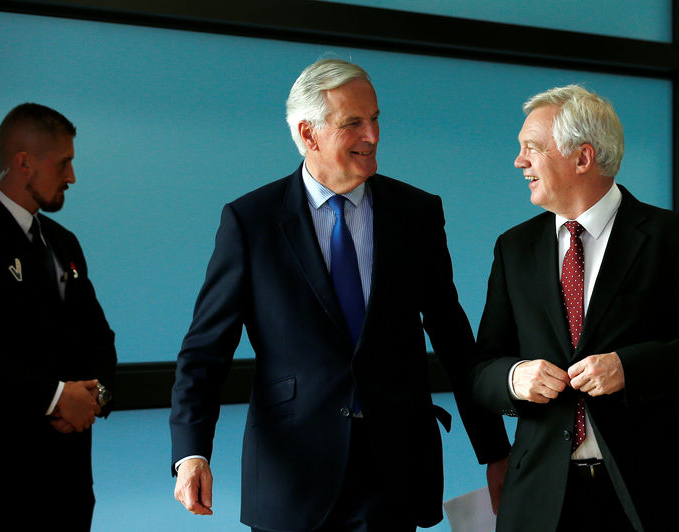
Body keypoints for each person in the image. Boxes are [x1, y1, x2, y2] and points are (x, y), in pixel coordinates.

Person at [170, 58, 510, 531]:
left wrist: (495, 451)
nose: (372, 136)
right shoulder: (252, 222)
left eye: (375, 120)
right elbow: (205, 349)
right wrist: (191, 452)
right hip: (291, 478)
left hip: (395, 475)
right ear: (309, 135)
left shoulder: (416, 213)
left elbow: (453, 337)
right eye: (354, 123)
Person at [471, 85, 679, 532]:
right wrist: (515, 377)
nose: (519, 161)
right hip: (539, 501)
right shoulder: (515, 248)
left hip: (646, 495)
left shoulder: (671, 239)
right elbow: (482, 369)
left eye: (531, 148)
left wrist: (631, 367)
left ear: (582, 158)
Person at [0, 103, 117, 529]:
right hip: (0, 482)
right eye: (64, 163)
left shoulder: (63, 242)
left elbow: (99, 337)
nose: (72, 177)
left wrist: (96, 398)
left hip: (69, 484)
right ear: (24, 163)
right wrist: (53, 397)